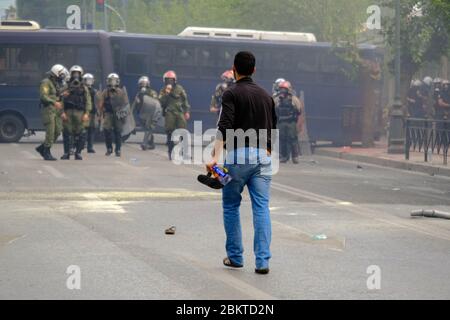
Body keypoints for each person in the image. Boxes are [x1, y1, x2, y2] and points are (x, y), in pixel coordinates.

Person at [207, 51, 277, 275]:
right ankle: (263, 261)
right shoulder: (267, 96)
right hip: (263, 158)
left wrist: (214, 157)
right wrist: (266, 152)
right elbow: (272, 129)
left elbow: (224, 125)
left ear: (234, 69)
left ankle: (236, 257)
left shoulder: (231, 93)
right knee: (261, 207)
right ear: (254, 70)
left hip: (237, 156)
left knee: (230, 205)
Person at [35, 64, 67, 161]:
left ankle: (42, 148)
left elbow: (55, 94)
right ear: (56, 73)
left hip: (56, 110)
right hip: (48, 110)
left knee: (57, 131)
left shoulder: (55, 83)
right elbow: (43, 96)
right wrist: (54, 102)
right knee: (50, 131)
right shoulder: (46, 82)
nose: (62, 76)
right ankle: (46, 152)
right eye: (61, 74)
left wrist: (63, 93)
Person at [60, 66, 92, 160]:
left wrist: (87, 113)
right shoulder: (66, 86)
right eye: (74, 73)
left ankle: (78, 153)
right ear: (71, 74)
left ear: (81, 74)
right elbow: (60, 99)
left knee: (81, 134)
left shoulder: (84, 87)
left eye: (78, 73)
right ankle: (67, 153)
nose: (76, 75)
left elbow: (88, 101)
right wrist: (62, 112)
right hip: (68, 112)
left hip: (80, 113)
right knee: (66, 133)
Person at [159, 70, 191, 160]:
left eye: (171, 80)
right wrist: (166, 93)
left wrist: (187, 111)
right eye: (167, 80)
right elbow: (161, 102)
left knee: (183, 132)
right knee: (170, 133)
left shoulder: (179, 89)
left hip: (180, 112)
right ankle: (171, 152)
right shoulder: (163, 90)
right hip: (169, 113)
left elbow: (185, 100)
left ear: (175, 80)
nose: (169, 82)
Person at [99, 73, 130, 157]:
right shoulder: (105, 92)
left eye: (114, 81)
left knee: (118, 132)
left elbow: (126, 104)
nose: (112, 82)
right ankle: (109, 148)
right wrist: (100, 115)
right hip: (108, 114)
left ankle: (118, 149)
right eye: (111, 81)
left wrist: (123, 115)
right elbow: (101, 104)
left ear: (117, 81)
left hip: (118, 114)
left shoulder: (121, 92)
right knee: (107, 131)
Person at [274, 81, 302, 164]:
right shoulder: (277, 99)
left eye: (284, 89)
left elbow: (299, 109)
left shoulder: (293, 99)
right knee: (282, 139)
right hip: (281, 122)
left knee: (293, 138)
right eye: (281, 89)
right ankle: (284, 156)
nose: (282, 91)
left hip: (291, 122)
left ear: (288, 89)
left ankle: (295, 156)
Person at [132, 76, 161, 150]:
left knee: (148, 128)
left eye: (145, 83)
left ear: (148, 84)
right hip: (143, 114)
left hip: (151, 114)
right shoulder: (138, 94)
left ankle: (144, 144)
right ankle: (151, 143)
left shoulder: (152, 92)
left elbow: (156, 103)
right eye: (142, 83)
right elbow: (135, 103)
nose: (143, 85)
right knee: (147, 128)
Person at [83, 73, 98, 153]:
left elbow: (98, 101)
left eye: (90, 80)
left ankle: (90, 147)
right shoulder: (82, 89)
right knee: (83, 129)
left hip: (93, 112)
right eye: (87, 80)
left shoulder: (94, 90)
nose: (89, 82)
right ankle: (82, 144)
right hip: (85, 112)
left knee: (92, 129)